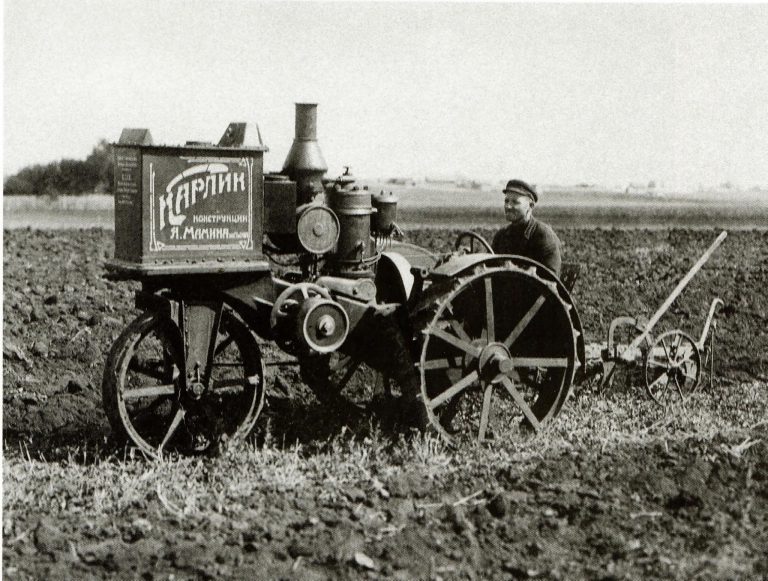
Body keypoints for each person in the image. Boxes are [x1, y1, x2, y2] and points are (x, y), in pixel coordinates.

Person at [491, 179, 562, 276]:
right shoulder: (501, 236)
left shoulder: (543, 236)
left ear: (531, 205)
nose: (508, 206)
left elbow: (551, 282)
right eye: (506, 201)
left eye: (515, 202)